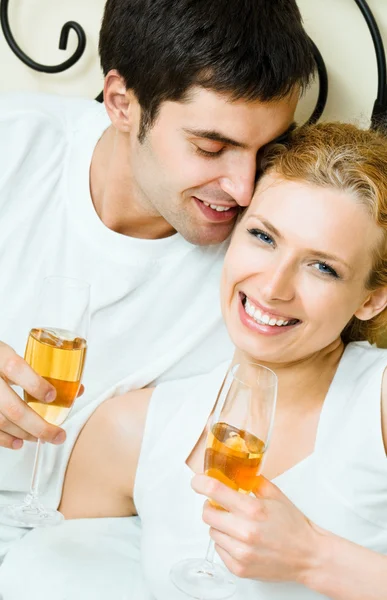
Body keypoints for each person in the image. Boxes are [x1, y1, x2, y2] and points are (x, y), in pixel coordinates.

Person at [2, 120, 387, 600]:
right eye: (264, 238)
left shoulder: (378, 404)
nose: (272, 287)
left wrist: (313, 559)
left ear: (371, 299)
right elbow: (36, 562)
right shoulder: (134, 430)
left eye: (322, 267)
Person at [0, 0, 314, 557]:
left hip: (70, 546)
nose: (243, 190)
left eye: (267, 151)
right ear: (122, 103)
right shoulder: (15, 145)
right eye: (211, 147)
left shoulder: (265, 273)